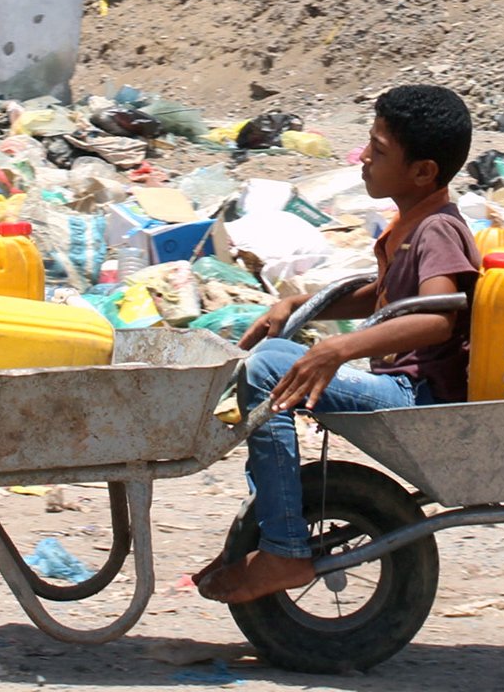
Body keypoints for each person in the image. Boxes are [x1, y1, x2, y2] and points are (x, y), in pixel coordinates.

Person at [197, 84, 480, 605]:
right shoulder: (414, 223)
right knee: (270, 358)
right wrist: (300, 305)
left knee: (266, 371)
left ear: (423, 171)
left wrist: (338, 350)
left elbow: (438, 318)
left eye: (378, 148)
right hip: (402, 386)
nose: (363, 158)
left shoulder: (438, 229)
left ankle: (283, 546)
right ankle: (268, 530)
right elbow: (387, 297)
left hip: (419, 399)